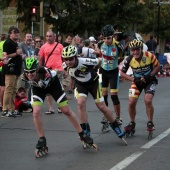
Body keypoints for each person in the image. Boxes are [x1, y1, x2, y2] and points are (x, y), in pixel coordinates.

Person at [23, 57, 95, 157]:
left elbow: (55, 72)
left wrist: (60, 71)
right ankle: (41, 139)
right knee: (36, 112)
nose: (29, 74)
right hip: (38, 89)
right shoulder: (25, 75)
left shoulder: (45, 73)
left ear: (37, 69)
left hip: (53, 86)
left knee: (66, 110)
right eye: (27, 72)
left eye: (32, 72)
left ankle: (82, 134)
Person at [62, 45, 126, 143]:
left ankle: (115, 125)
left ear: (76, 57)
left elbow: (101, 61)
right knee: (80, 103)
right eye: (66, 59)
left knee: (101, 106)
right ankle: (85, 129)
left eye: (70, 59)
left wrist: (98, 69)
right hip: (81, 84)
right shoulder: (64, 66)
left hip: (93, 83)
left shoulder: (85, 61)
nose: (68, 62)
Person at [119, 39, 160, 136]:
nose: (135, 52)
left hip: (149, 81)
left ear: (141, 49)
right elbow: (121, 73)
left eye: (137, 49)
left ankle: (150, 122)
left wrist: (150, 75)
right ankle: (132, 123)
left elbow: (158, 66)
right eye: (133, 50)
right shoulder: (129, 59)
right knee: (131, 102)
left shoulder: (149, 56)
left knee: (148, 100)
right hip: (137, 82)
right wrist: (133, 79)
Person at [98, 24, 124, 130]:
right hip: (103, 71)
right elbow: (100, 55)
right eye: (104, 38)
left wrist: (114, 64)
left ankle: (118, 117)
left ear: (113, 36)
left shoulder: (118, 46)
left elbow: (121, 57)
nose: (106, 40)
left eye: (108, 38)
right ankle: (106, 116)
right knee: (104, 96)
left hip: (113, 71)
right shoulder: (100, 44)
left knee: (113, 95)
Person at [38, 30, 64, 114]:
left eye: (50, 36)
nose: (48, 38)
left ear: (54, 37)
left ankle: (60, 107)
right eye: (47, 36)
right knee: (48, 90)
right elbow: (40, 59)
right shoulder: (43, 47)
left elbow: (64, 58)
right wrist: (39, 70)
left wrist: (65, 69)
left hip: (59, 70)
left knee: (59, 88)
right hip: (48, 70)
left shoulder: (60, 46)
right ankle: (51, 108)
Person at [1, 26, 23, 117]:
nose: (17, 34)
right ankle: (5, 109)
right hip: (10, 69)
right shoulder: (8, 43)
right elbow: (6, 56)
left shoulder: (16, 43)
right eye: (15, 32)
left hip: (16, 69)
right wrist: (17, 53)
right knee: (9, 89)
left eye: (18, 32)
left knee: (14, 89)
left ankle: (12, 108)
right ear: (10, 33)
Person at [18, 33, 34, 99]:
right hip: (22, 70)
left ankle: (26, 102)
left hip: (29, 70)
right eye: (28, 37)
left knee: (27, 87)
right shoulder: (21, 45)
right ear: (24, 38)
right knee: (21, 88)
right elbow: (21, 56)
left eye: (30, 37)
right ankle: (18, 103)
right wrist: (29, 58)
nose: (29, 38)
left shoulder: (31, 47)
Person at [0, 34, 7, 111]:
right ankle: (2, 104)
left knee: (1, 87)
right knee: (3, 87)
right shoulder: (5, 44)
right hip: (3, 67)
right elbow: (5, 55)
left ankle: (0, 103)